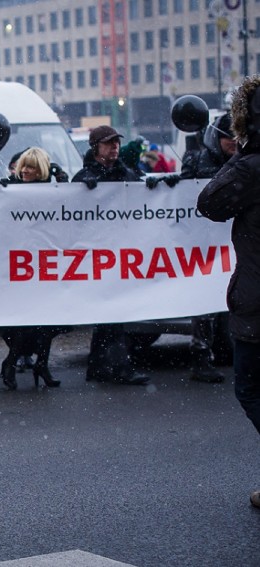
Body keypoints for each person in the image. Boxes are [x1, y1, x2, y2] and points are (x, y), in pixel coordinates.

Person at [196, 75, 260, 508]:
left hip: (258, 302)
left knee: (250, 388)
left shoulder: (252, 166)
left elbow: (210, 202)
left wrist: (245, 153)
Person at [72, 126, 149, 386]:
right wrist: (84, 189)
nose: (114, 147)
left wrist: (163, 187)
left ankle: (99, 366)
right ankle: (120, 367)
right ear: (95, 148)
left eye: (116, 143)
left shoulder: (126, 173)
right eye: (108, 143)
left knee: (111, 313)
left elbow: (145, 194)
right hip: (96, 253)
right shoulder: (83, 176)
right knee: (111, 313)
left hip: (120, 251)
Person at [0, 147, 69, 390]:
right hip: (19, 265)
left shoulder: (54, 190)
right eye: (23, 165)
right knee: (26, 319)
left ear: (42, 170)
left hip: (44, 265)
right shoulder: (9, 188)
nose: (25, 170)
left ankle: (41, 364)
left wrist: (60, 176)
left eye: (31, 166)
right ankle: (11, 362)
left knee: (46, 321)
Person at [178, 112, 237, 384]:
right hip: (202, 243)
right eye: (229, 137)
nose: (234, 142)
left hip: (232, 243)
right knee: (204, 303)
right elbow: (181, 194)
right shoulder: (198, 159)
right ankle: (201, 358)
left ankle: (226, 351)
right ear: (218, 137)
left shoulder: (241, 161)